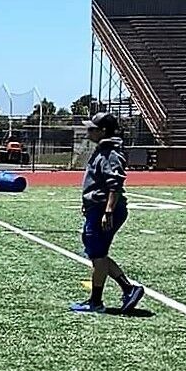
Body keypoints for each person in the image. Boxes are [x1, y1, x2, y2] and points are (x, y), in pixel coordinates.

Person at [71, 112, 146, 314]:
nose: (88, 131)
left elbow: (115, 184)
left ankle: (96, 301)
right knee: (98, 254)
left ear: (103, 131)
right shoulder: (103, 150)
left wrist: (108, 212)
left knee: (98, 256)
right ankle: (128, 289)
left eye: (92, 128)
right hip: (97, 208)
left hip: (104, 210)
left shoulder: (111, 153)